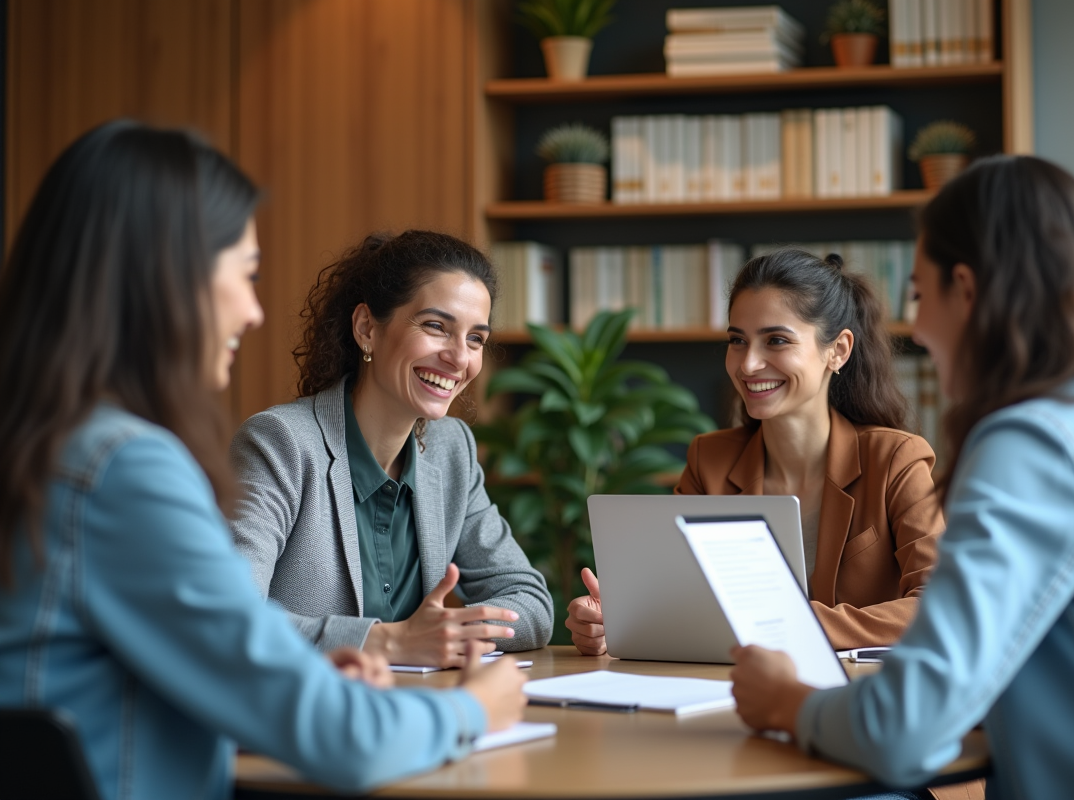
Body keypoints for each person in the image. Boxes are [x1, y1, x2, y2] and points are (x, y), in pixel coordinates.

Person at [0, 121, 527, 800]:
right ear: (164, 275)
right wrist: (474, 710)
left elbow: (144, 684)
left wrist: (303, 681)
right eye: (244, 274)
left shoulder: (50, 446)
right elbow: (341, 741)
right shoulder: (124, 471)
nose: (252, 312)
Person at [728, 155, 1074, 800]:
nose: (916, 329)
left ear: (968, 290)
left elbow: (904, 728)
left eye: (921, 294)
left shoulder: (1033, 444)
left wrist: (786, 702)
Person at [566, 248, 945, 653]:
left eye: (776, 340)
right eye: (737, 341)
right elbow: (676, 604)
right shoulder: (709, 462)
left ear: (838, 350)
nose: (747, 365)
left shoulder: (896, 460)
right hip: (732, 695)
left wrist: (795, 624)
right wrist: (611, 623)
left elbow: (939, 606)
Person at [229, 229, 553, 666]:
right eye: (437, 327)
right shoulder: (281, 444)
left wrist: (448, 637)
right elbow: (230, 616)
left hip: (416, 711)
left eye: (475, 338)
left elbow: (530, 600)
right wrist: (392, 642)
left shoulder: (451, 450)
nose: (460, 358)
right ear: (367, 328)